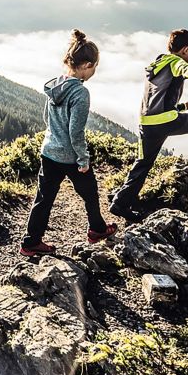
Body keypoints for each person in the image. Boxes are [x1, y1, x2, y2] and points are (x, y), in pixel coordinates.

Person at [21, 30, 118, 257]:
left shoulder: (55, 86)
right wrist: (83, 159)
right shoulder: (80, 93)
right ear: (85, 65)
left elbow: (47, 119)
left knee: (43, 199)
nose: (94, 71)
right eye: (94, 67)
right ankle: (97, 229)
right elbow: (76, 132)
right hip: (69, 156)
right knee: (90, 192)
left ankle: (30, 242)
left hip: (49, 151)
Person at [109, 28, 188, 222]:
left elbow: (158, 98)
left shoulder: (159, 63)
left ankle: (120, 203)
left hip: (147, 122)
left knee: (143, 164)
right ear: (185, 50)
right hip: (165, 121)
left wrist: (182, 106)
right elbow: (186, 69)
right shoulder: (177, 62)